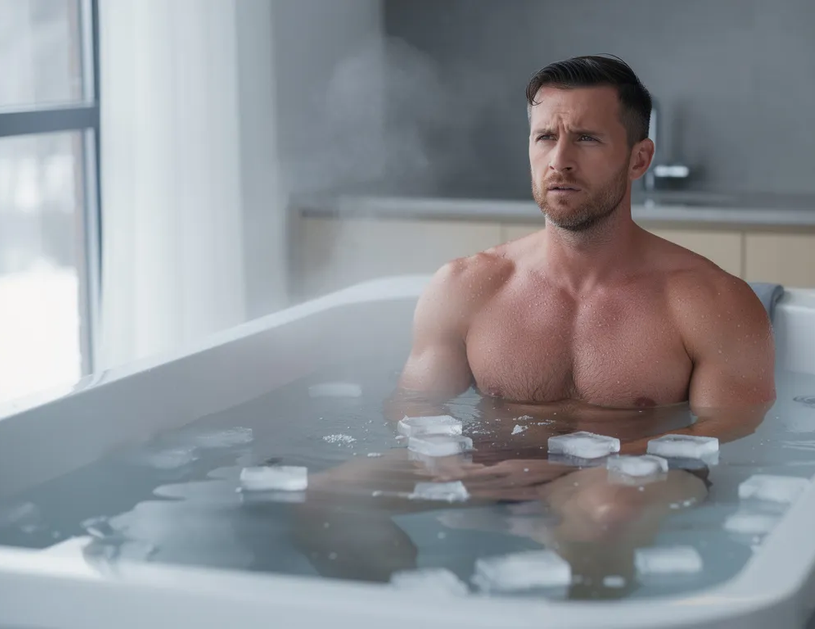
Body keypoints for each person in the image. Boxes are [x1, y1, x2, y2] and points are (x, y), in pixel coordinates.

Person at [295, 55, 776, 595]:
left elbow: (727, 426)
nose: (560, 160)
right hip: (488, 461)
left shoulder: (705, 297)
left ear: (639, 159)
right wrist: (446, 461)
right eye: (545, 137)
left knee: (607, 514)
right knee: (322, 496)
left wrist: (590, 462)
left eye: (588, 139)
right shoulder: (469, 285)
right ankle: (418, 608)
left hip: (628, 472)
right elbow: (413, 402)